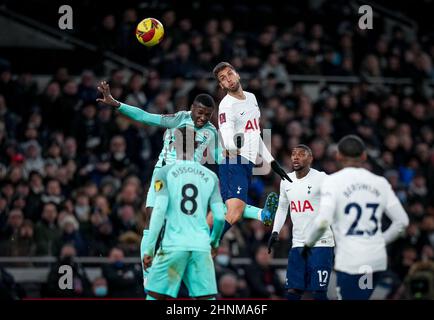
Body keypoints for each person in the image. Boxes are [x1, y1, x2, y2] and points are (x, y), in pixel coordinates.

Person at [96, 81, 279, 287]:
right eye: (199, 112)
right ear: (192, 108)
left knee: (224, 205)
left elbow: (220, 157)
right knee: (151, 220)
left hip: (188, 179)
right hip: (163, 176)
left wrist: (239, 162)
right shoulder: (178, 119)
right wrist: (116, 104)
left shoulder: (211, 133)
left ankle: (262, 215)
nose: (202, 118)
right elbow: (146, 117)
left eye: (207, 115)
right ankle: (149, 275)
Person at [304, 135, 409, 300]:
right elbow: (402, 222)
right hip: (375, 262)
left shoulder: (333, 182)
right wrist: (380, 240)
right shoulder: (380, 182)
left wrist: (308, 244)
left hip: (352, 261)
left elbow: (323, 221)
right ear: (364, 156)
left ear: (338, 156)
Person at [142, 127, 225, 300]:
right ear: (196, 146)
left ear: (173, 146)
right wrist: (214, 241)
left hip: (173, 245)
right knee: (206, 298)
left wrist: (149, 248)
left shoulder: (163, 173)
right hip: (201, 246)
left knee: (154, 295)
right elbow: (218, 216)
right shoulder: (211, 176)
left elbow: (158, 212)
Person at [212, 61, 291, 241]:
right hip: (234, 161)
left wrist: (272, 161)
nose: (229, 80)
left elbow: (255, 135)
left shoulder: (251, 98)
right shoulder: (226, 106)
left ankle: (261, 215)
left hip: (245, 163)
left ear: (237, 74)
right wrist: (236, 145)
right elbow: (227, 137)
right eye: (223, 79)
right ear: (221, 85)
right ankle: (210, 245)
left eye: (230, 74)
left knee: (230, 210)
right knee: (234, 212)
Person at [268, 144, 334, 300]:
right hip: (297, 245)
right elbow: (283, 207)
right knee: (292, 291)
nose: (296, 157)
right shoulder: (286, 180)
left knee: (318, 292)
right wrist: (275, 231)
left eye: (301, 154)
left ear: (311, 158)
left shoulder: (322, 178)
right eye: (293, 154)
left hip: (321, 244)